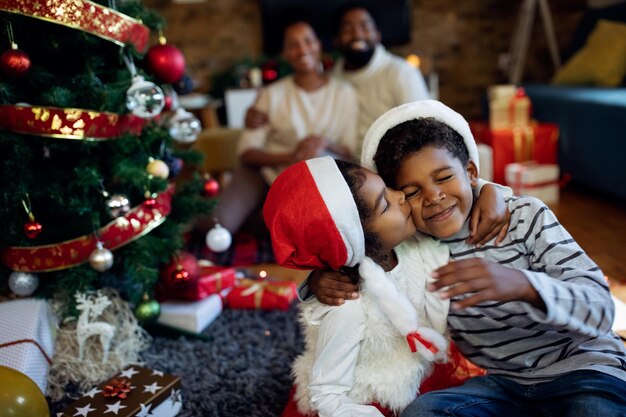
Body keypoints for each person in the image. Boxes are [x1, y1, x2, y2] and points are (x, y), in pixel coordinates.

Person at [310, 100, 626, 416]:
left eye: (444, 177)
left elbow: (600, 308)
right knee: (422, 412)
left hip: (585, 372)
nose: (434, 196)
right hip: (505, 386)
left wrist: (524, 285)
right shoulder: (414, 250)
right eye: (413, 191)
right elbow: (362, 254)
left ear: (472, 173)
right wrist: (319, 280)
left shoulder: (525, 217)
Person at [263, 156, 451, 417]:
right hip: (364, 402)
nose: (400, 196)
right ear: (355, 237)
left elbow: (461, 200)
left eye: (388, 187)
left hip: (418, 371)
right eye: (385, 204)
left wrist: (493, 193)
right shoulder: (348, 304)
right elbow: (326, 393)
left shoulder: (409, 244)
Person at [200, 20, 359, 238]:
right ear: (285, 53)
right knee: (217, 227)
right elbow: (247, 153)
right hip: (267, 174)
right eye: (293, 45)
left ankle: (264, 219)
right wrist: (292, 156)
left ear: (319, 46)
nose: (302, 49)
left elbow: (351, 151)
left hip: (320, 181)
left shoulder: (345, 93)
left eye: (308, 41)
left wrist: (324, 143)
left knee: (315, 231)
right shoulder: (271, 94)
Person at [246, 1, 430, 155]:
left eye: (365, 26)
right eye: (348, 29)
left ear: (377, 34)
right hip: (346, 164)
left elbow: (424, 127)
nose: (357, 34)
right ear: (336, 39)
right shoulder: (335, 77)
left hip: (394, 160)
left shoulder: (400, 72)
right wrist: (254, 115)